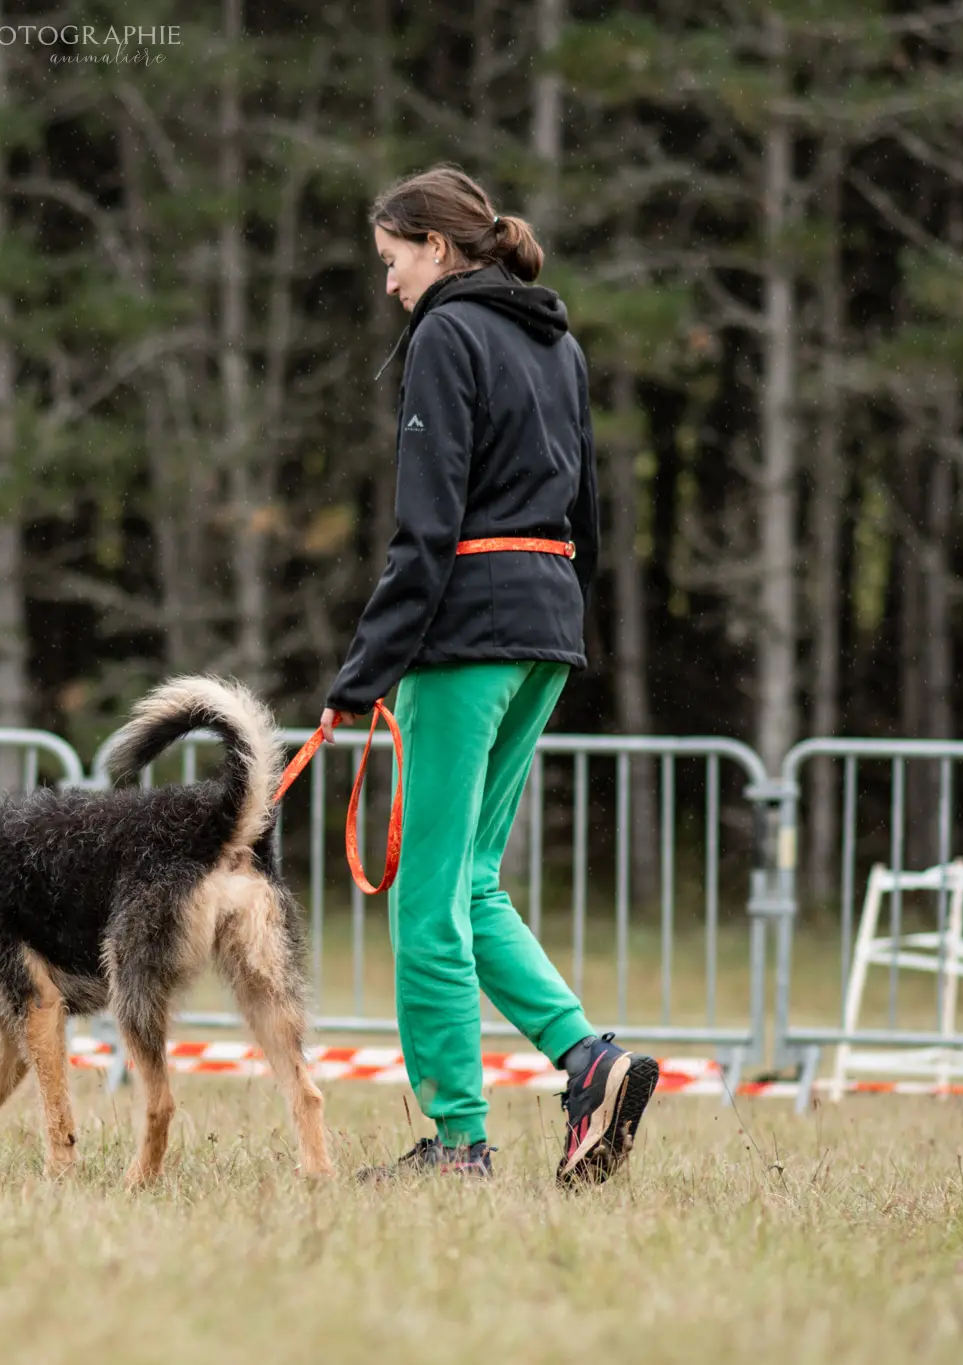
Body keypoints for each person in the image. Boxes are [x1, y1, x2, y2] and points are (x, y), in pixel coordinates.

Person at [321, 165, 658, 1184]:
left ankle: (455, 1143)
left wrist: (361, 671)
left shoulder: (444, 336)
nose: (386, 284)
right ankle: (590, 1060)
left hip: (463, 632)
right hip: (545, 625)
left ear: (433, 246)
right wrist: (556, 620)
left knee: (424, 902)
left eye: (390, 261)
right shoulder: (555, 339)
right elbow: (586, 516)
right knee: (470, 882)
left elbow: (423, 530)